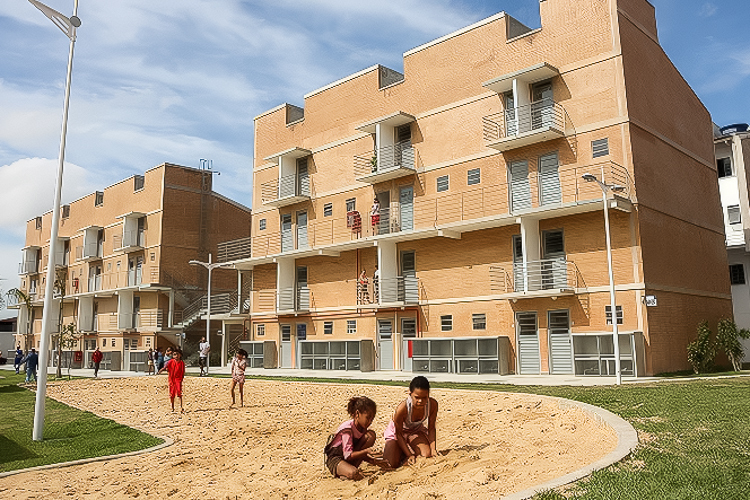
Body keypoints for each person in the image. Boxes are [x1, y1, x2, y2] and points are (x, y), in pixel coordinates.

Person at [383, 376, 439, 468]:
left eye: (424, 397)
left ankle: (407, 449)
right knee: (391, 464)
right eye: (417, 397)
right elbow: (399, 434)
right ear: (410, 393)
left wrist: (433, 449)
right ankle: (402, 451)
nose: (420, 401)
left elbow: (432, 428)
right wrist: (410, 455)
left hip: (415, 431)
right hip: (398, 434)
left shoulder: (432, 404)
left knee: (426, 454)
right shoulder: (402, 409)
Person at [324, 396, 381, 480]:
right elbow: (348, 455)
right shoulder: (347, 429)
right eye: (368, 418)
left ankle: (348, 470)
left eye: (372, 419)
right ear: (357, 414)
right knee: (353, 473)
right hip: (336, 459)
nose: (370, 422)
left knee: (370, 435)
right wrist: (366, 451)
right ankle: (344, 472)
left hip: (349, 457)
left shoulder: (362, 429)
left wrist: (375, 461)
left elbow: (359, 451)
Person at [158, 347, 185, 412]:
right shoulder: (171, 361)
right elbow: (166, 367)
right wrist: (161, 370)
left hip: (178, 379)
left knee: (179, 392)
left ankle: (181, 406)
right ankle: (172, 407)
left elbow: (182, 371)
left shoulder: (181, 363)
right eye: (174, 354)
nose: (176, 356)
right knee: (172, 393)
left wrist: (181, 379)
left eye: (177, 354)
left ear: (180, 355)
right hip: (171, 379)